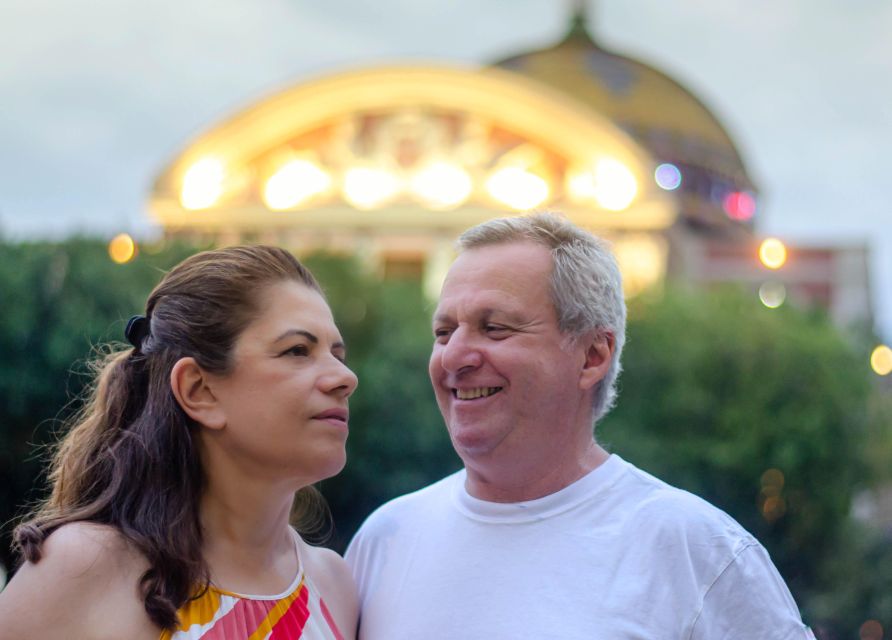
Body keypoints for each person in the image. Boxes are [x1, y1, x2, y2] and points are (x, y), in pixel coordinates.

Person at [346, 213, 815, 639]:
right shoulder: (385, 539)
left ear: (592, 355)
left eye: (495, 328)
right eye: (444, 333)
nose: (453, 357)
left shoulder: (698, 552)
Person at [0, 245, 358, 639]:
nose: (344, 377)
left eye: (337, 355)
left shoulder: (334, 585)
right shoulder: (85, 567)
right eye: (297, 351)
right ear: (198, 390)